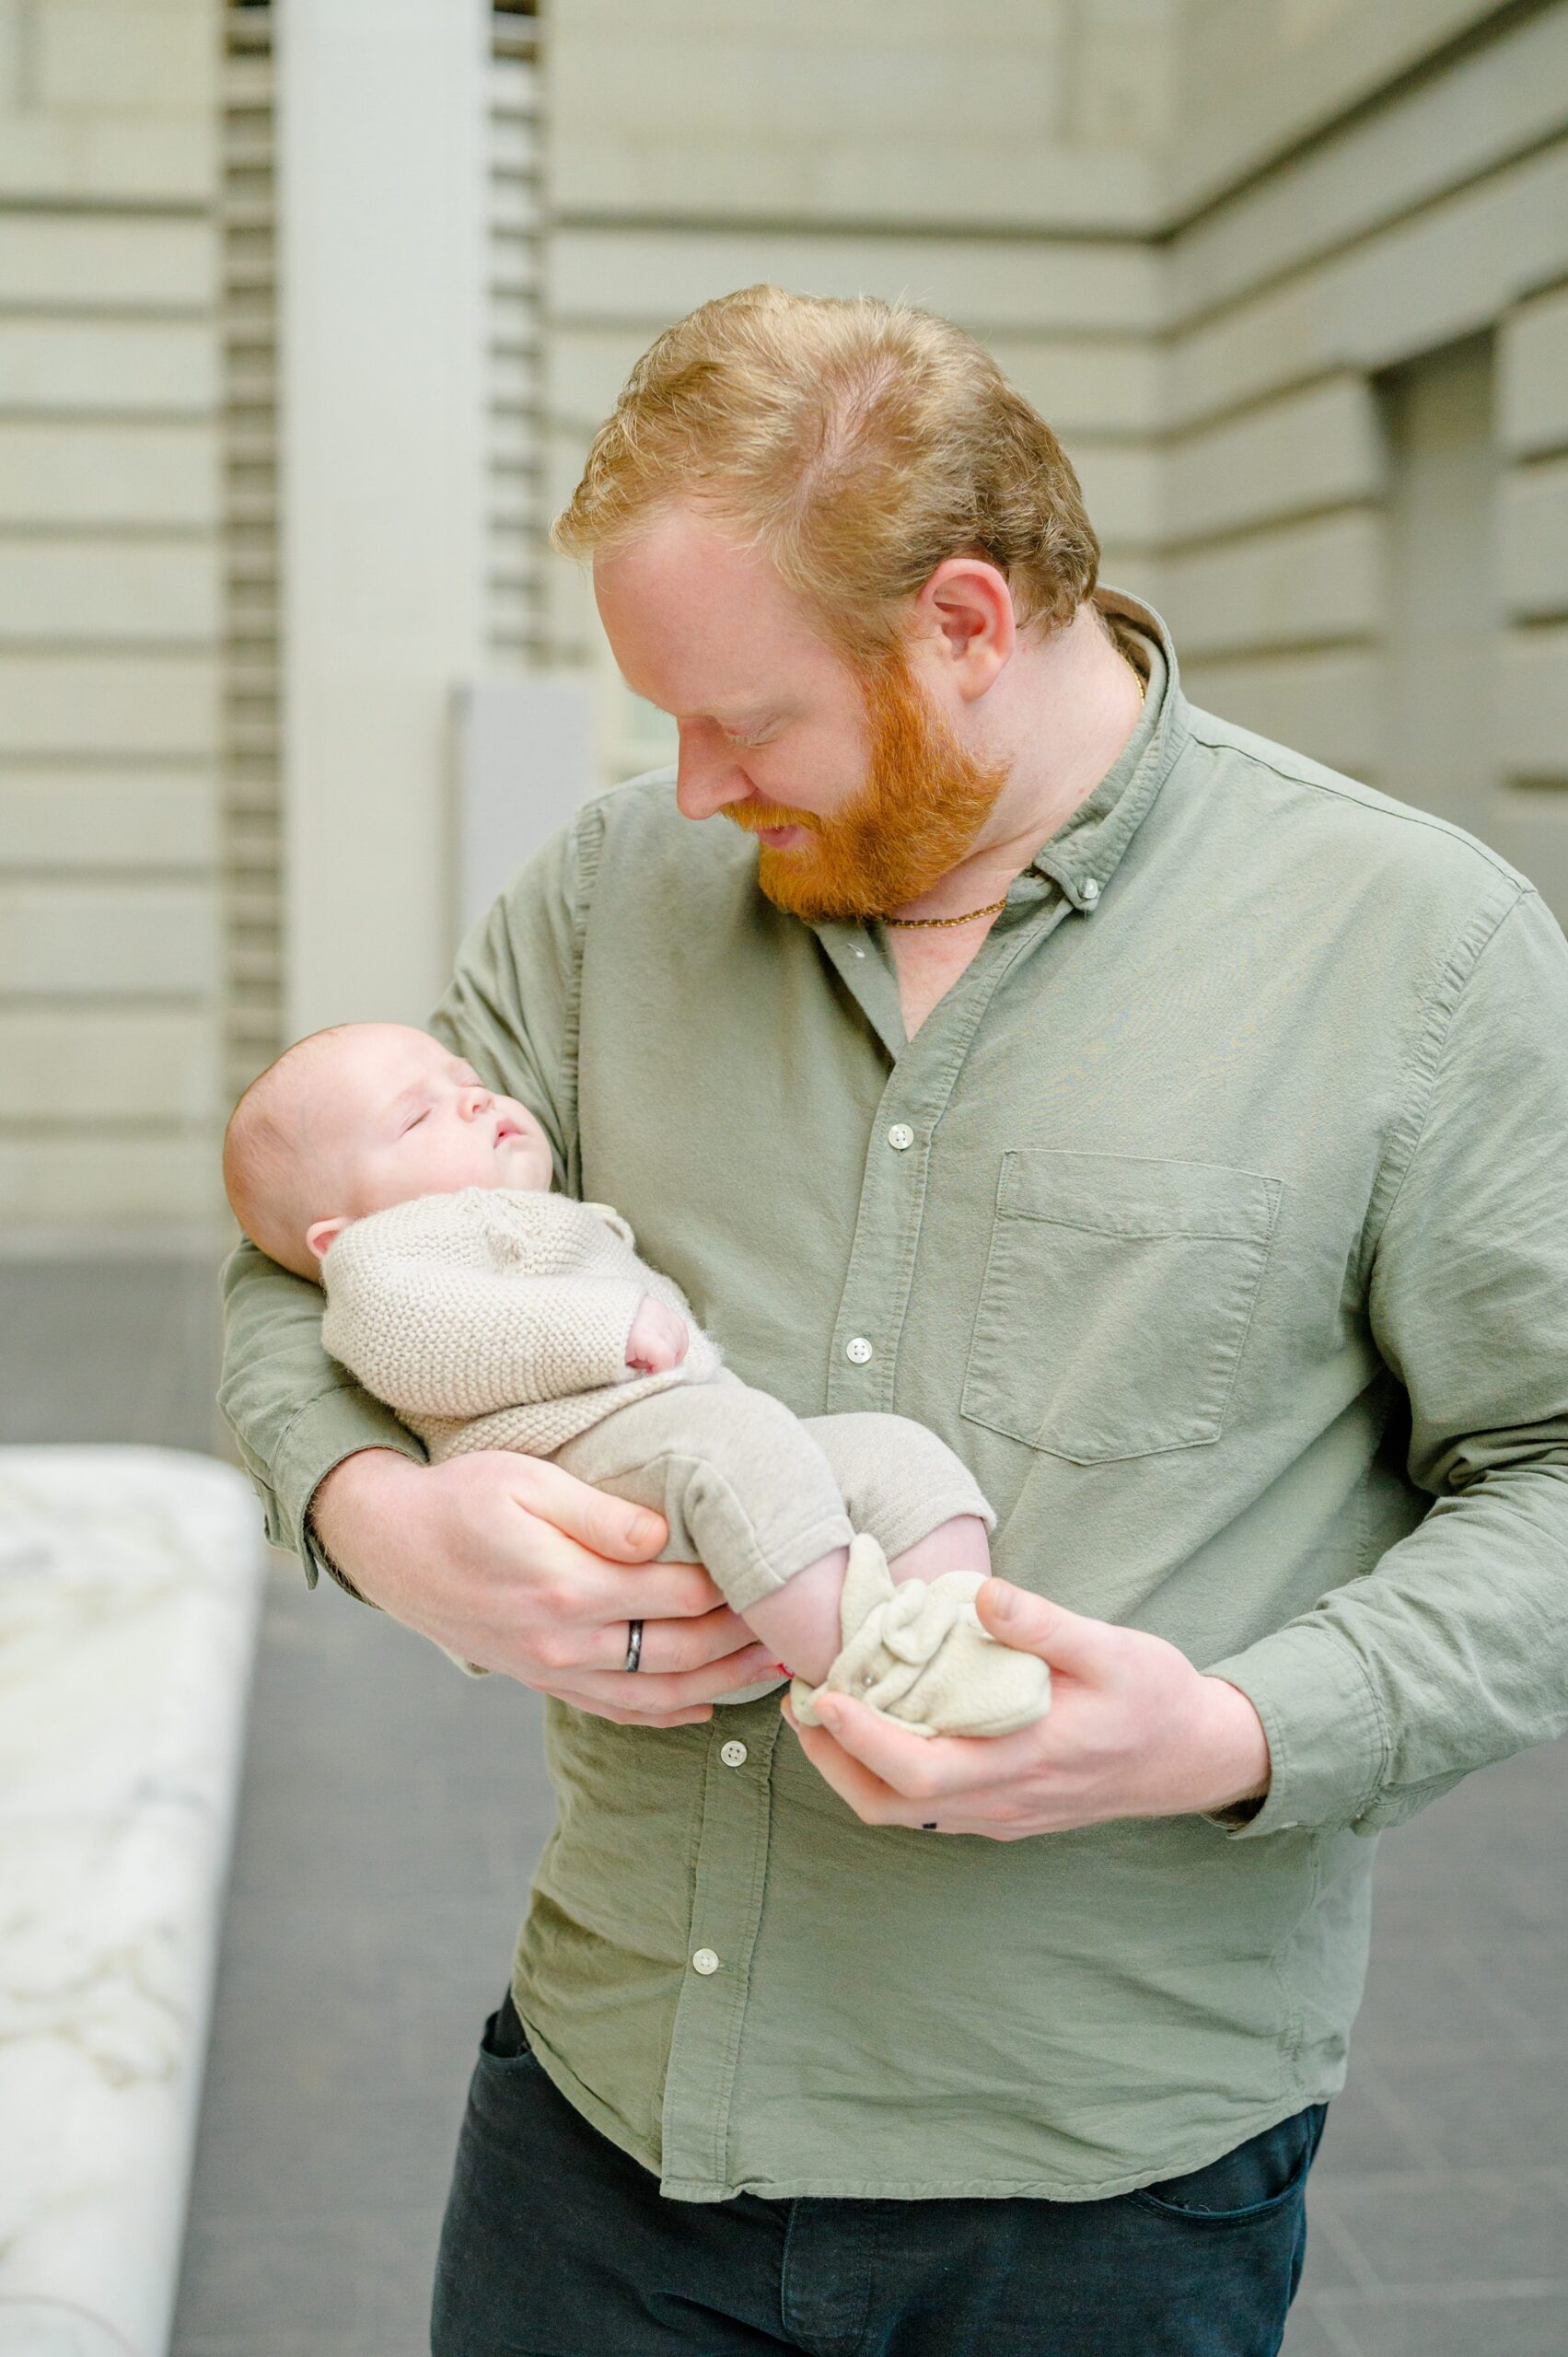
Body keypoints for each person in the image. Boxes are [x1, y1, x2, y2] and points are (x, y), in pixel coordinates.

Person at [219, 285, 1568, 2357]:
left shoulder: (1417, 950)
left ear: (958, 621)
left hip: (1102, 2192)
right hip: (606, 2129)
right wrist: (380, 1521)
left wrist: (1228, 1732)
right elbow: (295, 1259)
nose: (684, 791)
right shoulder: (601, 900)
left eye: (741, 720)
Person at [220, 1016, 1048, 1735]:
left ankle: (955, 1636)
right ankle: (883, 1685)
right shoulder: (384, 1256)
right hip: (572, 1461)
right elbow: (417, 1338)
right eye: (415, 1118)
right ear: (336, 1235)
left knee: (892, 1455)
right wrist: (601, 1329)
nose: (474, 1100)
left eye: (467, 1082)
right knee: (734, 1445)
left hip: (679, 1440)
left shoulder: (546, 1216)